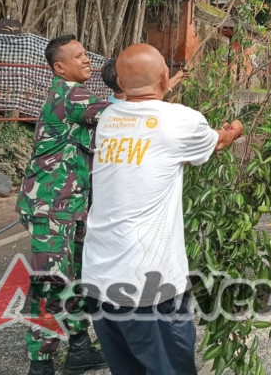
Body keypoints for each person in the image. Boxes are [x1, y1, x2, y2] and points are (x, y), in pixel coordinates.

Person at [82, 44, 243, 375]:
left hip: (99, 280)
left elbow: (153, 136)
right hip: (148, 288)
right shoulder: (182, 120)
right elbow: (219, 142)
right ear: (165, 78)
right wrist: (236, 128)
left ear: (119, 85)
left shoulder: (109, 118)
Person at [15, 35, 110, 375]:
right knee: (53, 282)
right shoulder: (71, 95)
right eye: (79, 55)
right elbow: (122, 115)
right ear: (59, 67)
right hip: (51, 206)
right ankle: (40, 364)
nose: (87, 60)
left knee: (75, 278)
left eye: (86, 54)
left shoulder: (72, 94)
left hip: (70, 205)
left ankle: (80, 347)